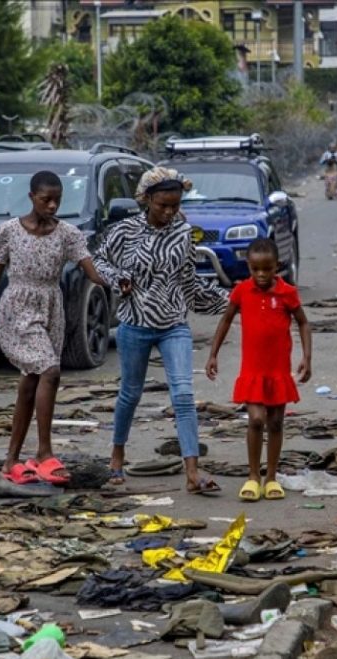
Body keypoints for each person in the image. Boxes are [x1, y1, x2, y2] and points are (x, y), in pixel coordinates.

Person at [0, 171, 111, 485]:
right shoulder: (9, 231)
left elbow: (91, 270)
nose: (53, 205)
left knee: (32, 381)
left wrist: (117, 280)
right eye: (46, 199)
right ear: (32, 197)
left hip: (51, 309)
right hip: (17, 308)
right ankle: (44, 452)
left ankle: (11, 460)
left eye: (58, 199)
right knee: (50, 369)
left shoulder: (68, 234)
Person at [94, 167, 229, 494]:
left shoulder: (183, 233)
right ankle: (117, 455)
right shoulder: (124, 231)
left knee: (183, 394)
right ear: (147, 199)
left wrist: (231, 302)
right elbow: (99, 262)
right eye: (162, 205)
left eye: (175, 205)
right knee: (130, 394)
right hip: (134, 324)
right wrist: (118, 280)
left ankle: (192, 473)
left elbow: (189, 281)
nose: (169, 212)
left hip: (173, 325)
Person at [205, 238, 312, 502]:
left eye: (267, 269)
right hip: (253, 369)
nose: (262, 275)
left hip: (278, 370)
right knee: (255, 419)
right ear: (249, 268)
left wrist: (306, 358)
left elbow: (303, 323)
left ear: (277, 266)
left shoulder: (287, 293)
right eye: (256, 270)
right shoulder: (242, 291)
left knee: (275, 422)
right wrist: (213, 354)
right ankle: (253, 476)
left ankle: (271, 477)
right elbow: (227, 318)